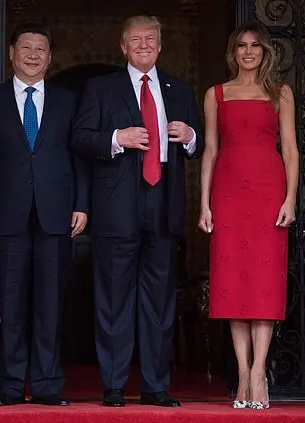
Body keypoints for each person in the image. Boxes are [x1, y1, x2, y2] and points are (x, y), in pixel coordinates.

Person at [73, 15, 204, 408]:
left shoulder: (178, 89)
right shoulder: (101, 88)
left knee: (159, 302)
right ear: (123, 47)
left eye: (151, 39)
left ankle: (156, 387)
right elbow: (80, 138)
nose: (144, 45)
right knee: (113, 300)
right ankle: (113, 385)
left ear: (161, 45)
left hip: (163, 201)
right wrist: (117, 138)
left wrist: (191, 136)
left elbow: (199, 143)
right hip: (117, 205)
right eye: (136, 40)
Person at [0, 22, 90, 407]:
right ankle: (7, 386)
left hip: (56, 215)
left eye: (41, 49)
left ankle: (46, 385)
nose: (33, 55)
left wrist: (82, 203)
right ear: (11, 52)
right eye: (26, 47)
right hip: (6, 216)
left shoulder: (67, 100)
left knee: (50, 305)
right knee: (8, 305)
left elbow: (79, 157)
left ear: (50, 57)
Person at [198, 21, 299, 410]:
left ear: (266, 51)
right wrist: (204, 203)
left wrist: (290, 198)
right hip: (227, 193)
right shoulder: (216, 95)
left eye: (255, 45)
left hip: (268, 194)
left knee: (263, 282)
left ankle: (260, 372)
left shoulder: (281, 94)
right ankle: (242, 371)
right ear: (233, 52)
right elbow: (209, 150)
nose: (249, 51)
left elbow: (290, 149)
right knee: (233, 283)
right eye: (241, 45)